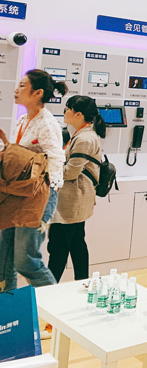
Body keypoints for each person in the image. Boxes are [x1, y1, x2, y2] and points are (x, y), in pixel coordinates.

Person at [0, 69, 67, 291]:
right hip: (17, 193)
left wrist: (48, 191)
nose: (16, 90)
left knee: (26, 261)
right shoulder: (22, 120)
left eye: (22, 86)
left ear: (37, 93)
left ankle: (54, 305)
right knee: (4, 258)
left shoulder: (47, 123)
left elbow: (56, 159)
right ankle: (8, 307)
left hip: (38, 196)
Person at [47, 95, 106, 283]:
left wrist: (47, 167)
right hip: (75, 201)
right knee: (76, 244)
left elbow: (70, 173)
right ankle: (83, 282)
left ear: (78, 114)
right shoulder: (82, 134)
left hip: (72, 203)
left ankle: (47, 289)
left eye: (67, 109)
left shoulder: (85, 139)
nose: (64, 112)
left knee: (58, 248)